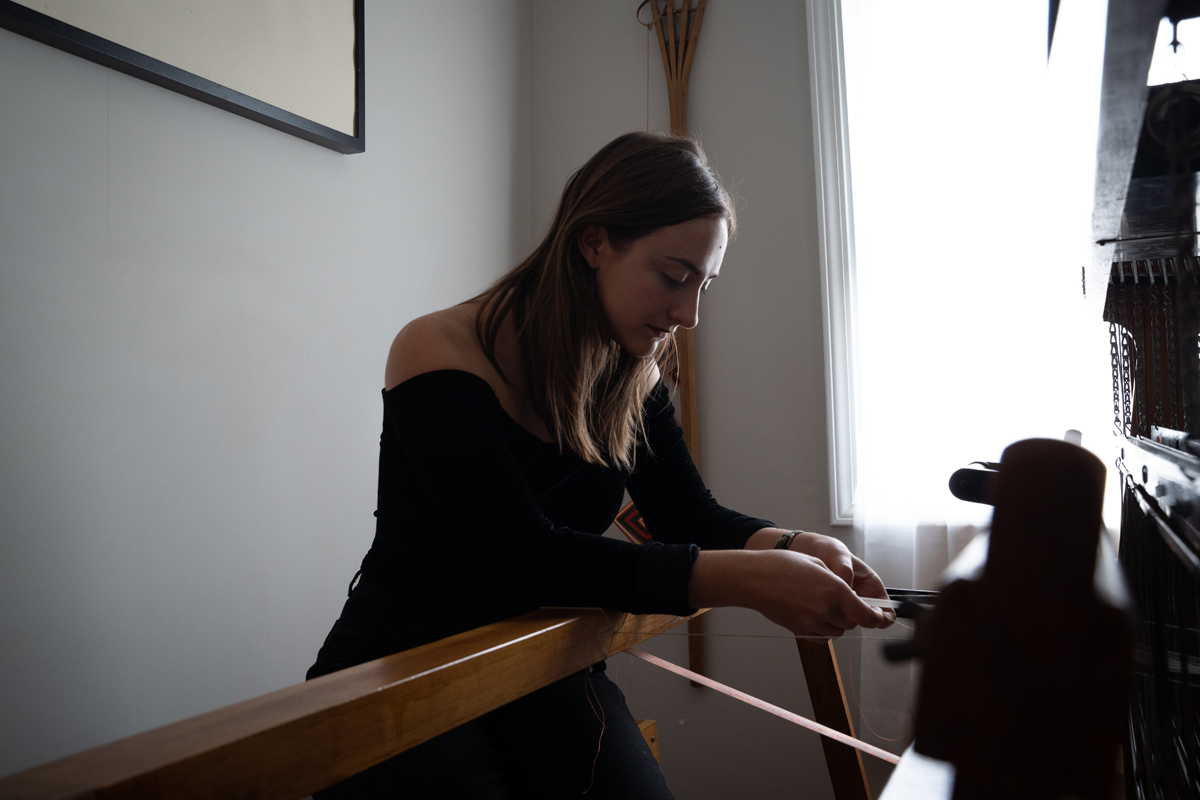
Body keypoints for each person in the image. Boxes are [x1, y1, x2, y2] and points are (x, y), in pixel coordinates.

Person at [306, 132, 894, 799]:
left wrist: (792, 545)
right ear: (594, 244)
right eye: (674, 277)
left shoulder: (633, 378)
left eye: (703, 285)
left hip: (539, 662)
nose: (689, 314)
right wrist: (752, 580)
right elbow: (525, 556)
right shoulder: (436, 350)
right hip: (402, 667)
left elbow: (688, 516)